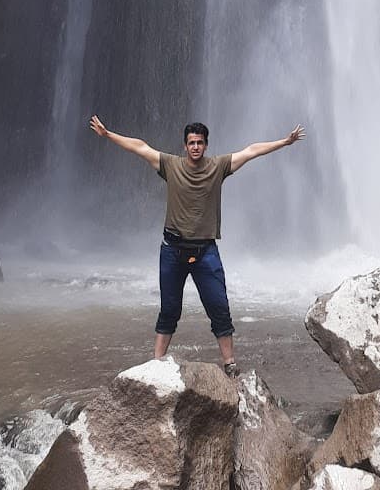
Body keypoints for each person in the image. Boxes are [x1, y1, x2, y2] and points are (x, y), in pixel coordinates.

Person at [89, 113, 304, 376]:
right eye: (191, 143)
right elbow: (140, 147)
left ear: (206, 145)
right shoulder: (170, 165)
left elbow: (250, 151)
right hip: (172, 250)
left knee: (220, 309)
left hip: (205, 252)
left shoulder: (219, 166)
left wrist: (284, 141)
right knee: (169, 310)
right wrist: (108, 134)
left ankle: (230, 365)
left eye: (200, 142)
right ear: (185, 145)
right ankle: (157, 365)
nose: (195, 147)